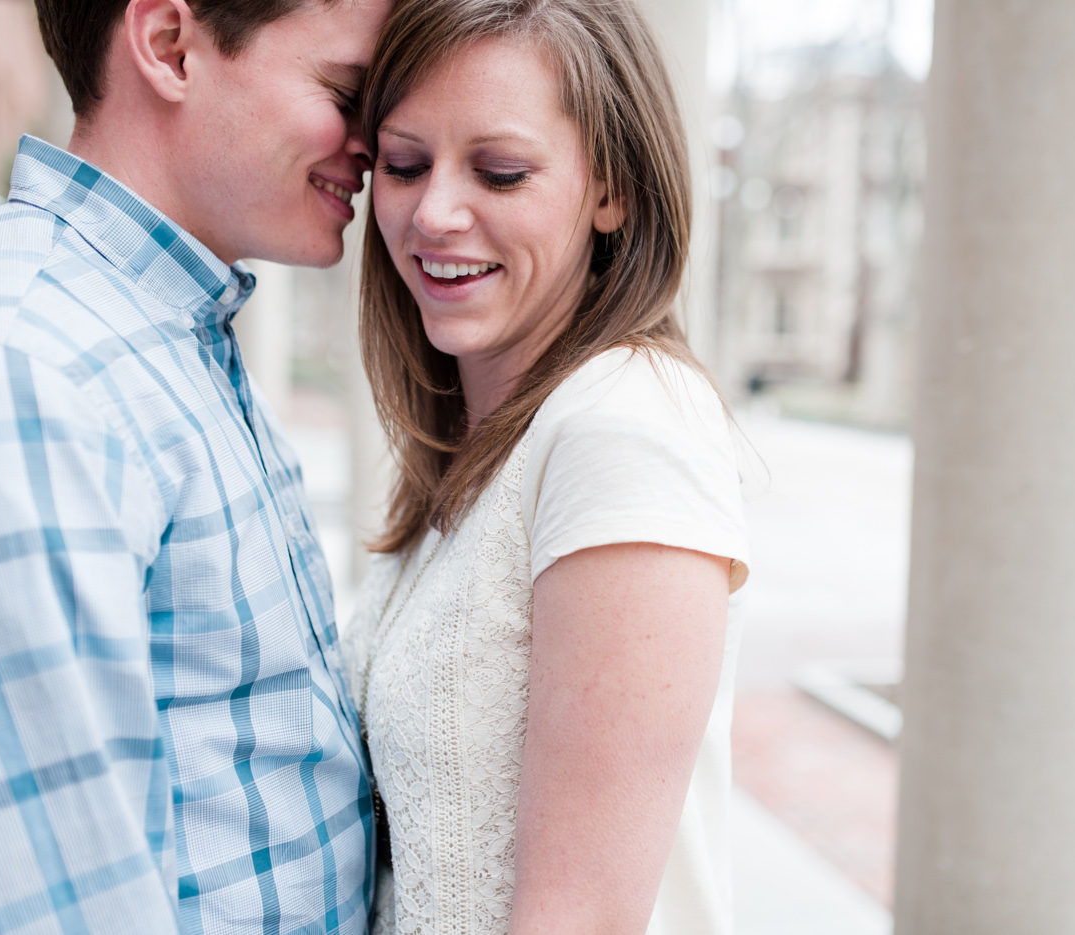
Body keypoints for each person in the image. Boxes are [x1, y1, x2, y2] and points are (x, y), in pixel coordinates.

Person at [0, 0, 390, 931]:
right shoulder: (22, 367)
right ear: (171, 45)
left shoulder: (155, 332)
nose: (373, 142)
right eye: (345, 92)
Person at [343, 1, 751, 933]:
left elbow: (583, 918)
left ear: (611, 189)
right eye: (403, 165)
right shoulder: (474, 451)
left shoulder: (627, 426)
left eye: (500, 171)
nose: (433, 212)